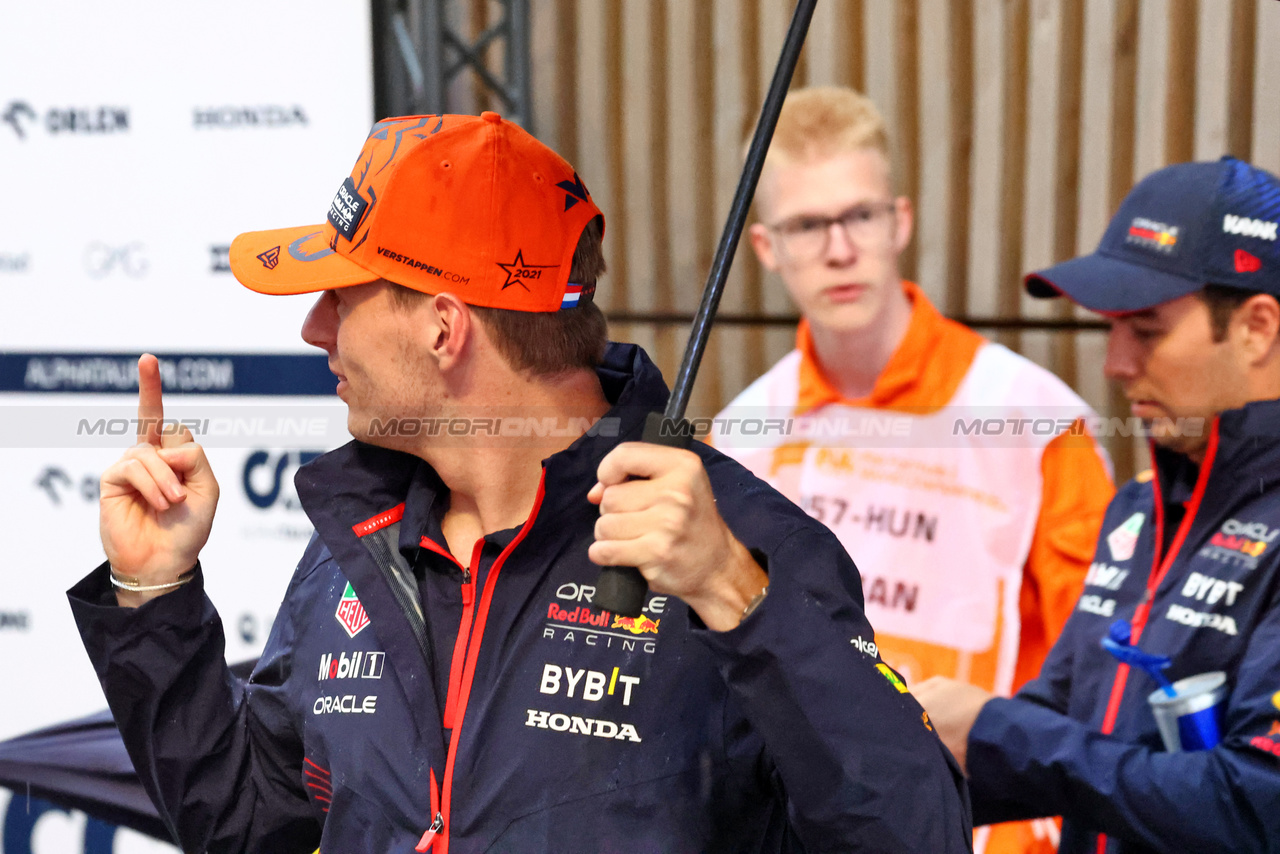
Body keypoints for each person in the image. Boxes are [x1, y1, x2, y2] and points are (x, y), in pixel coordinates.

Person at [68, 112, 972, 853]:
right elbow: (251, 824)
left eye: (343, 294)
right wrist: (155, 597)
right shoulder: (365, 533)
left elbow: (915, 835)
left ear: (444, 326)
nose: (314, 328)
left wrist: (738, 596)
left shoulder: (732, 548)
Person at [712, 86, 1113, 854]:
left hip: (982, 828)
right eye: (806, 224)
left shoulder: (1029, 419)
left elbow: (1097, 672)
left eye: (859, 215)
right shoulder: (742, 435)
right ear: (765, 246)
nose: (839, 249)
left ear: (900, 220)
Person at [915, 156, 1280, 853]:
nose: (1115, 363)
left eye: (1146, 330)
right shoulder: (1138, 511)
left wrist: (997, 728)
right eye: (1113, 329)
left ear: (1257, 327)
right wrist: (882, 748)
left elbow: (1256, 804)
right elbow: (1060, 728)